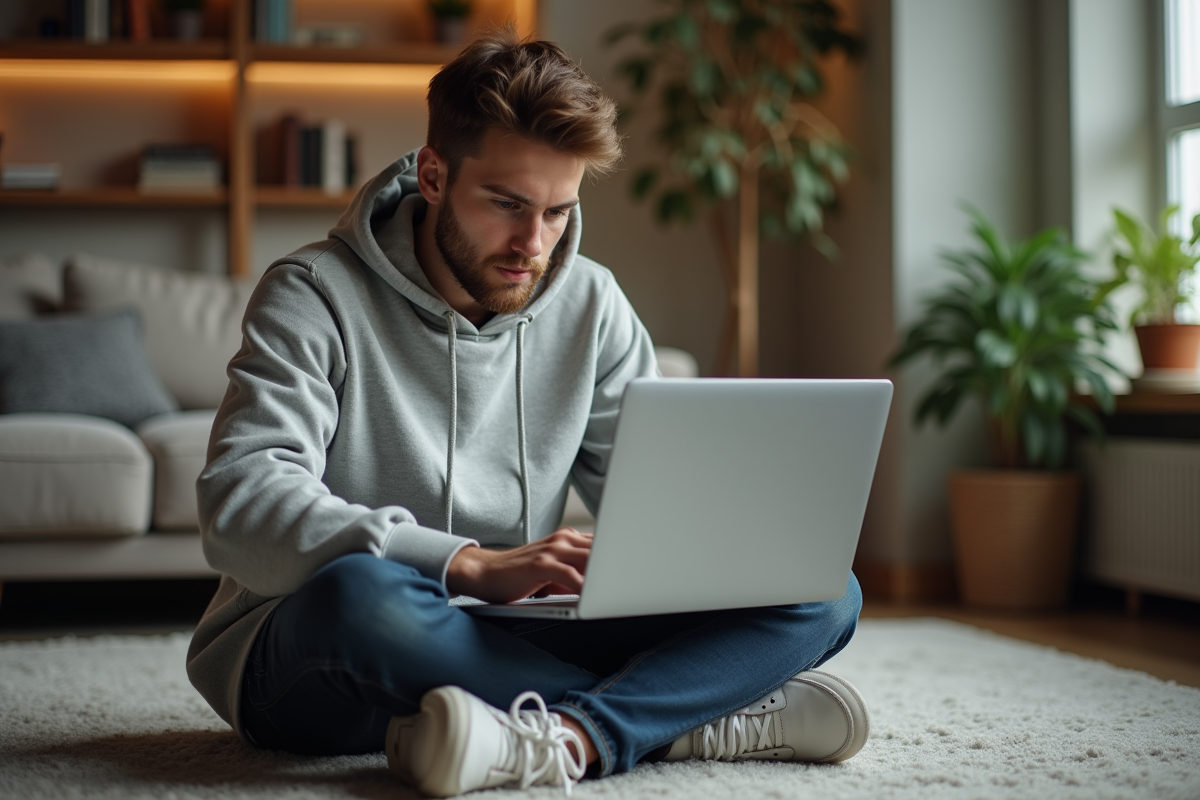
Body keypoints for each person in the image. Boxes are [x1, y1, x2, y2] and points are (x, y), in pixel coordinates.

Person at [187, 28, 868, 797]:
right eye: (507, 205)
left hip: (515, 638)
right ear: (435, 174)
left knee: (821, 585)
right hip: (330, 652)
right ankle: (677, 722)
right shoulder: (312, 292)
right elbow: (239, 504)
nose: (532, 244)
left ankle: (569, 733)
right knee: (361, 593)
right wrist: (464, 563)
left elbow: (665, 516)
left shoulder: (592, 305)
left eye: (556, 212)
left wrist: (733, 547)